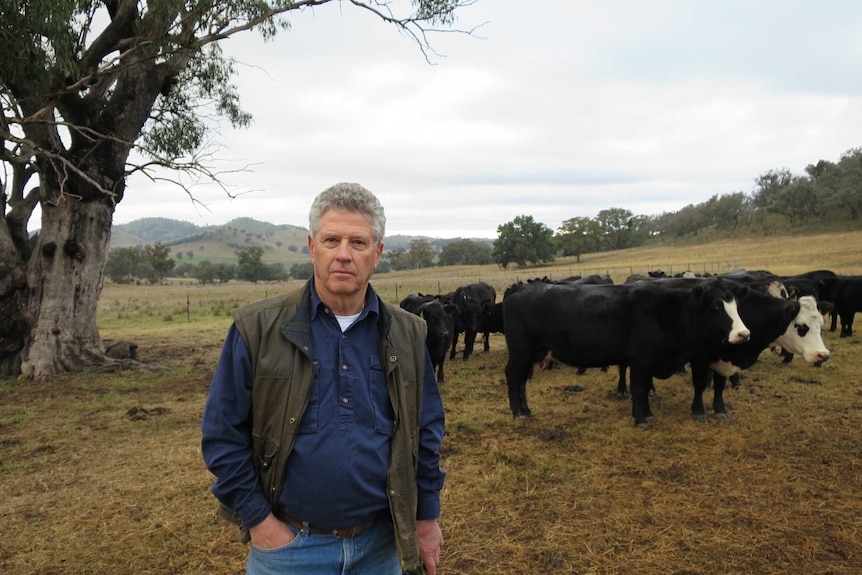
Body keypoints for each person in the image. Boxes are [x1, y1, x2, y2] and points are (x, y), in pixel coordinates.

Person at [201, 183, 446, 575]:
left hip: (380, 546)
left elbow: (426, 429)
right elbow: (222, 434)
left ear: (378, 254)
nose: (343, 255)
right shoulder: (258, 328)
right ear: (312, 246)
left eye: (359, 242)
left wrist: (426, 516)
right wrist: (260, 523)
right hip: (288, 547)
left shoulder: (408, 333)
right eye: (332, 240)